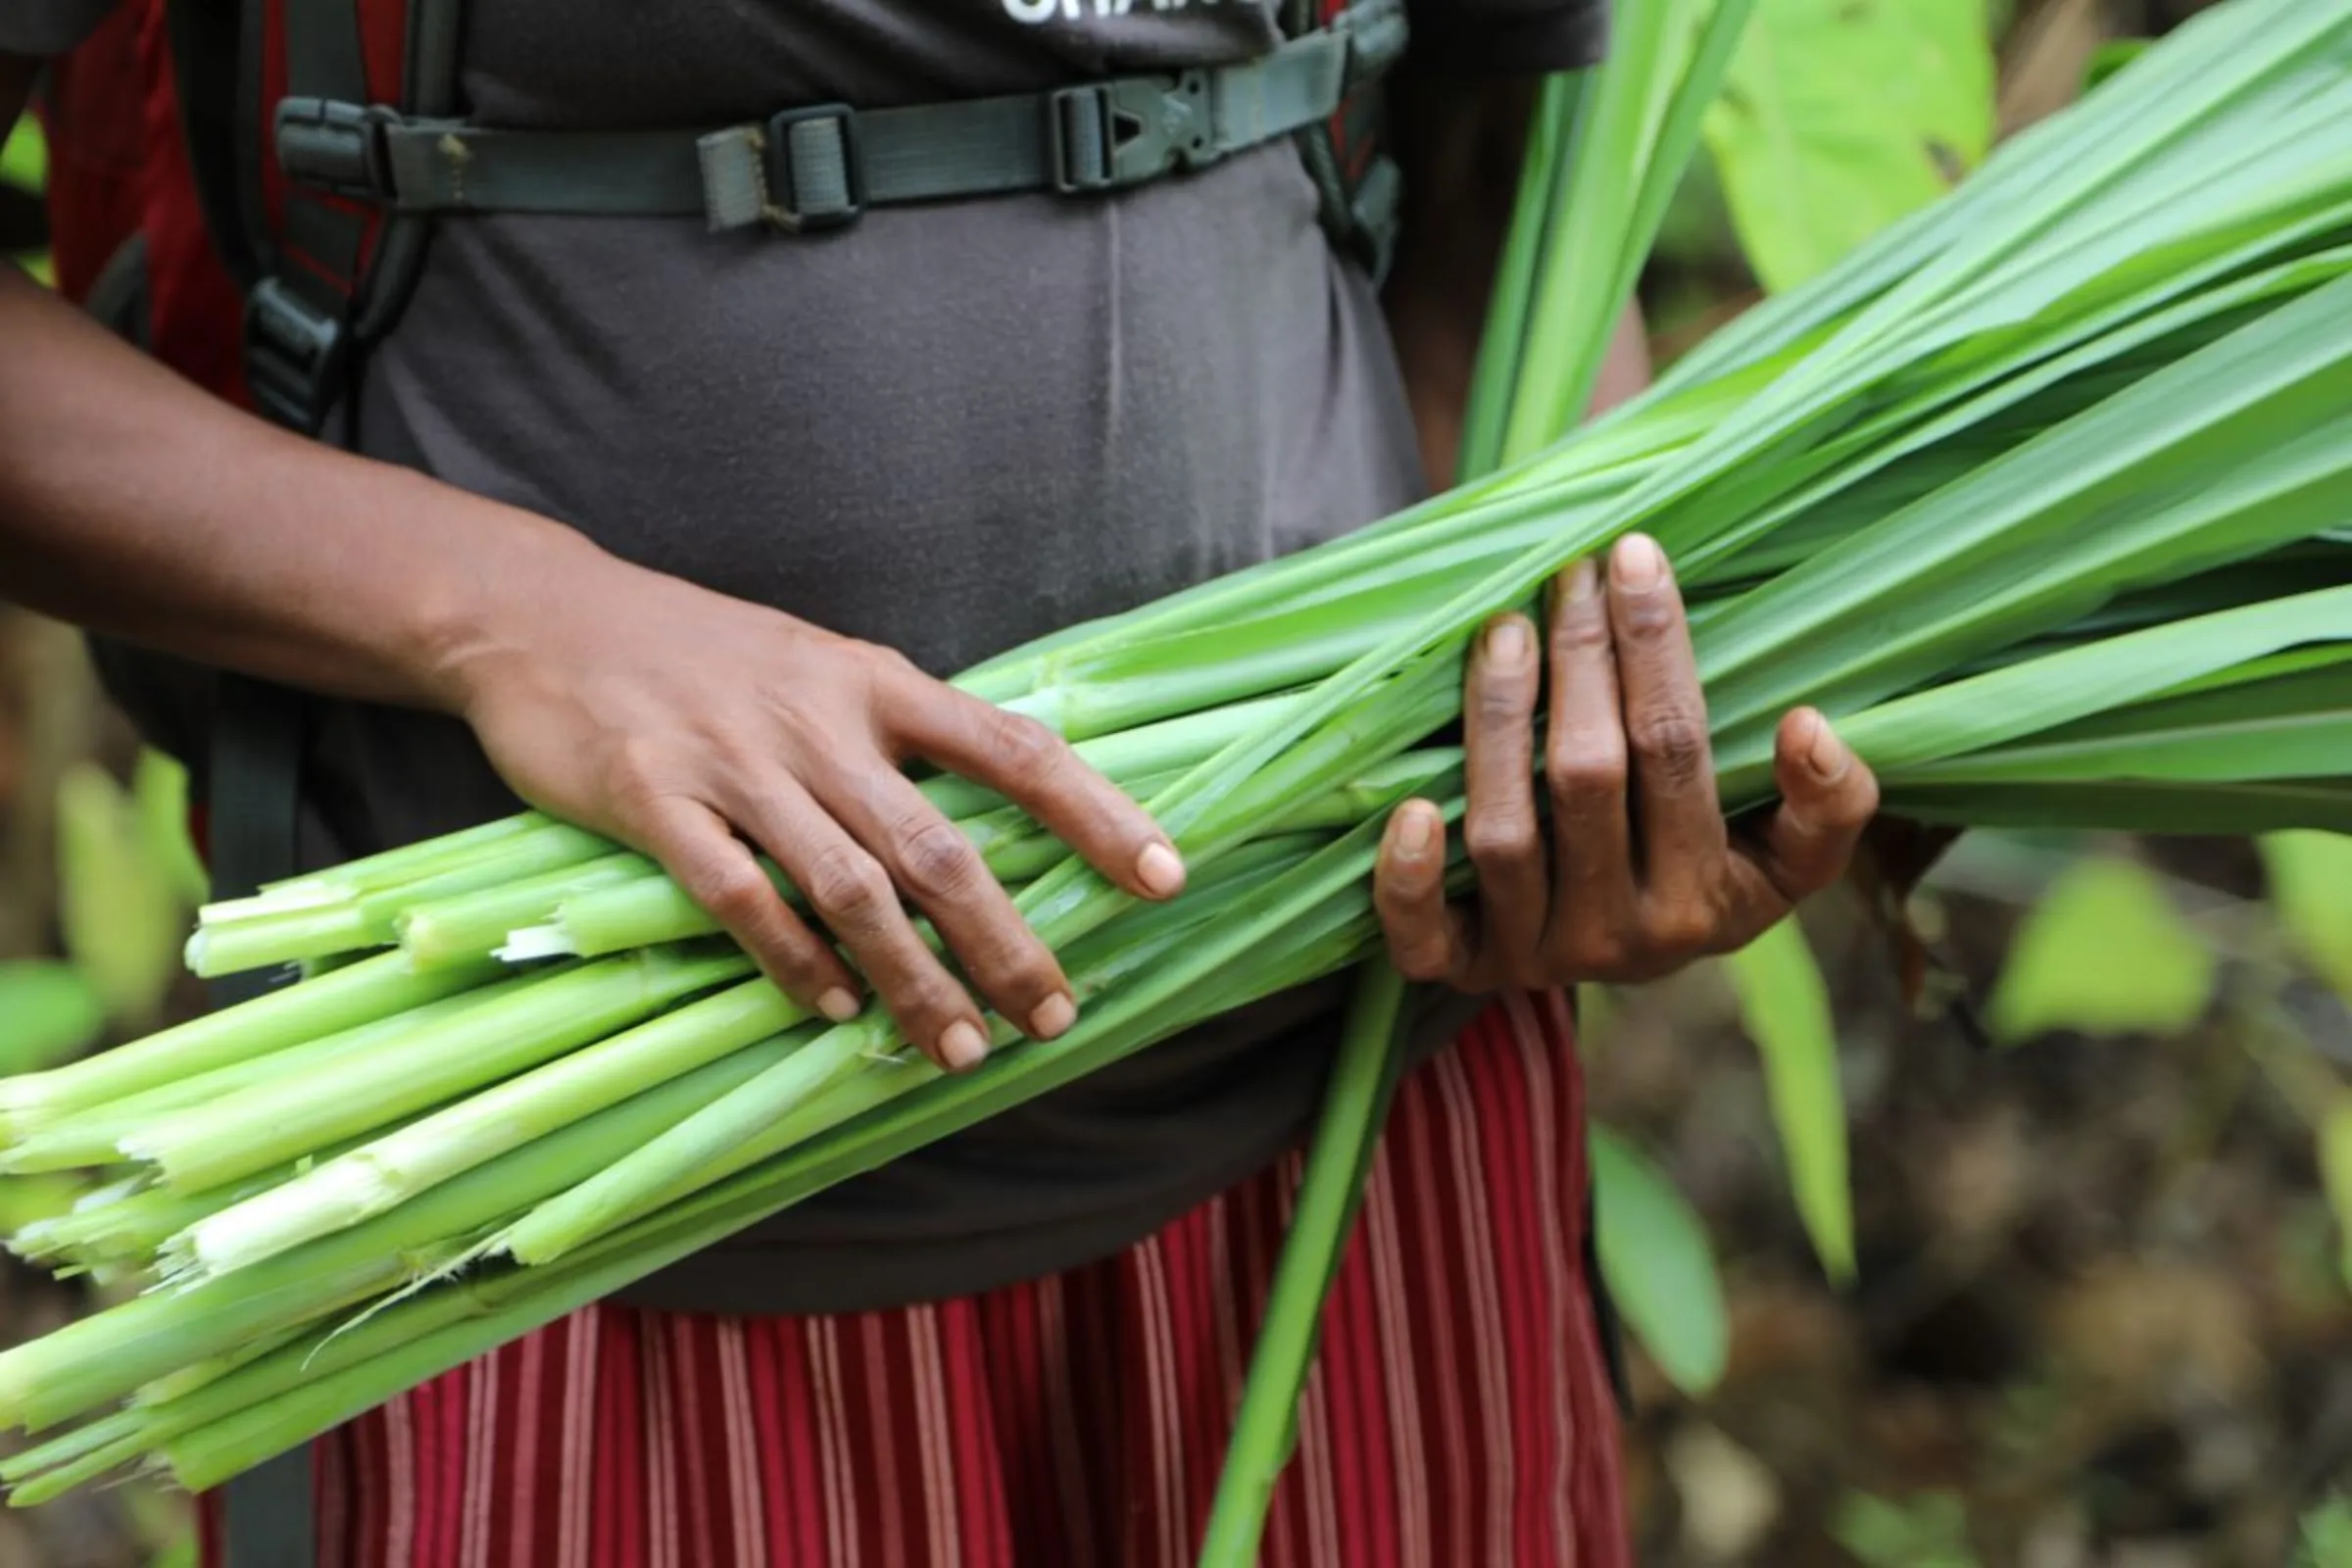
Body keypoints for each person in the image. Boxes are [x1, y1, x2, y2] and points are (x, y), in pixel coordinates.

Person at [0, 2, 1880, 1562]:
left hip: (1347, 1127)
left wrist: (1568, 724)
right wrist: (509, 619)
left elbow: (1494, 177)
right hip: (555, 1209)